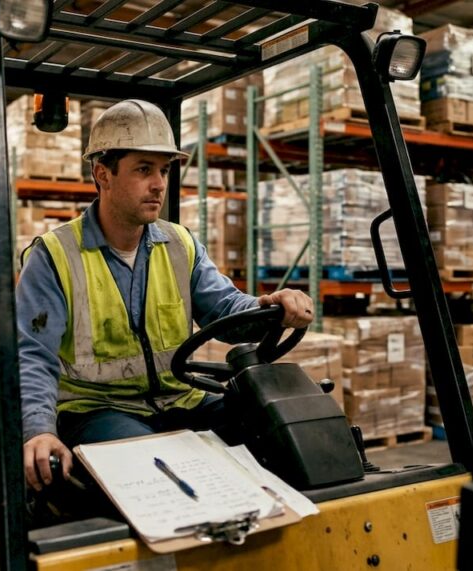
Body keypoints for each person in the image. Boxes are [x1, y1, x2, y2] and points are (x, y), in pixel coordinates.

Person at [16, 99, 314, 491]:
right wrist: (38, 429)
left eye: (163, 170)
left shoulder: (180, 244)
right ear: (102, 174)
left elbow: (225, 309)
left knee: (277, 429)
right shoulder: (55, 255)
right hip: (98, 410)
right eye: (143, 169)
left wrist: (268, 305)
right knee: (150, 471)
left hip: (179, 400)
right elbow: (31, 355)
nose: (159, 184)